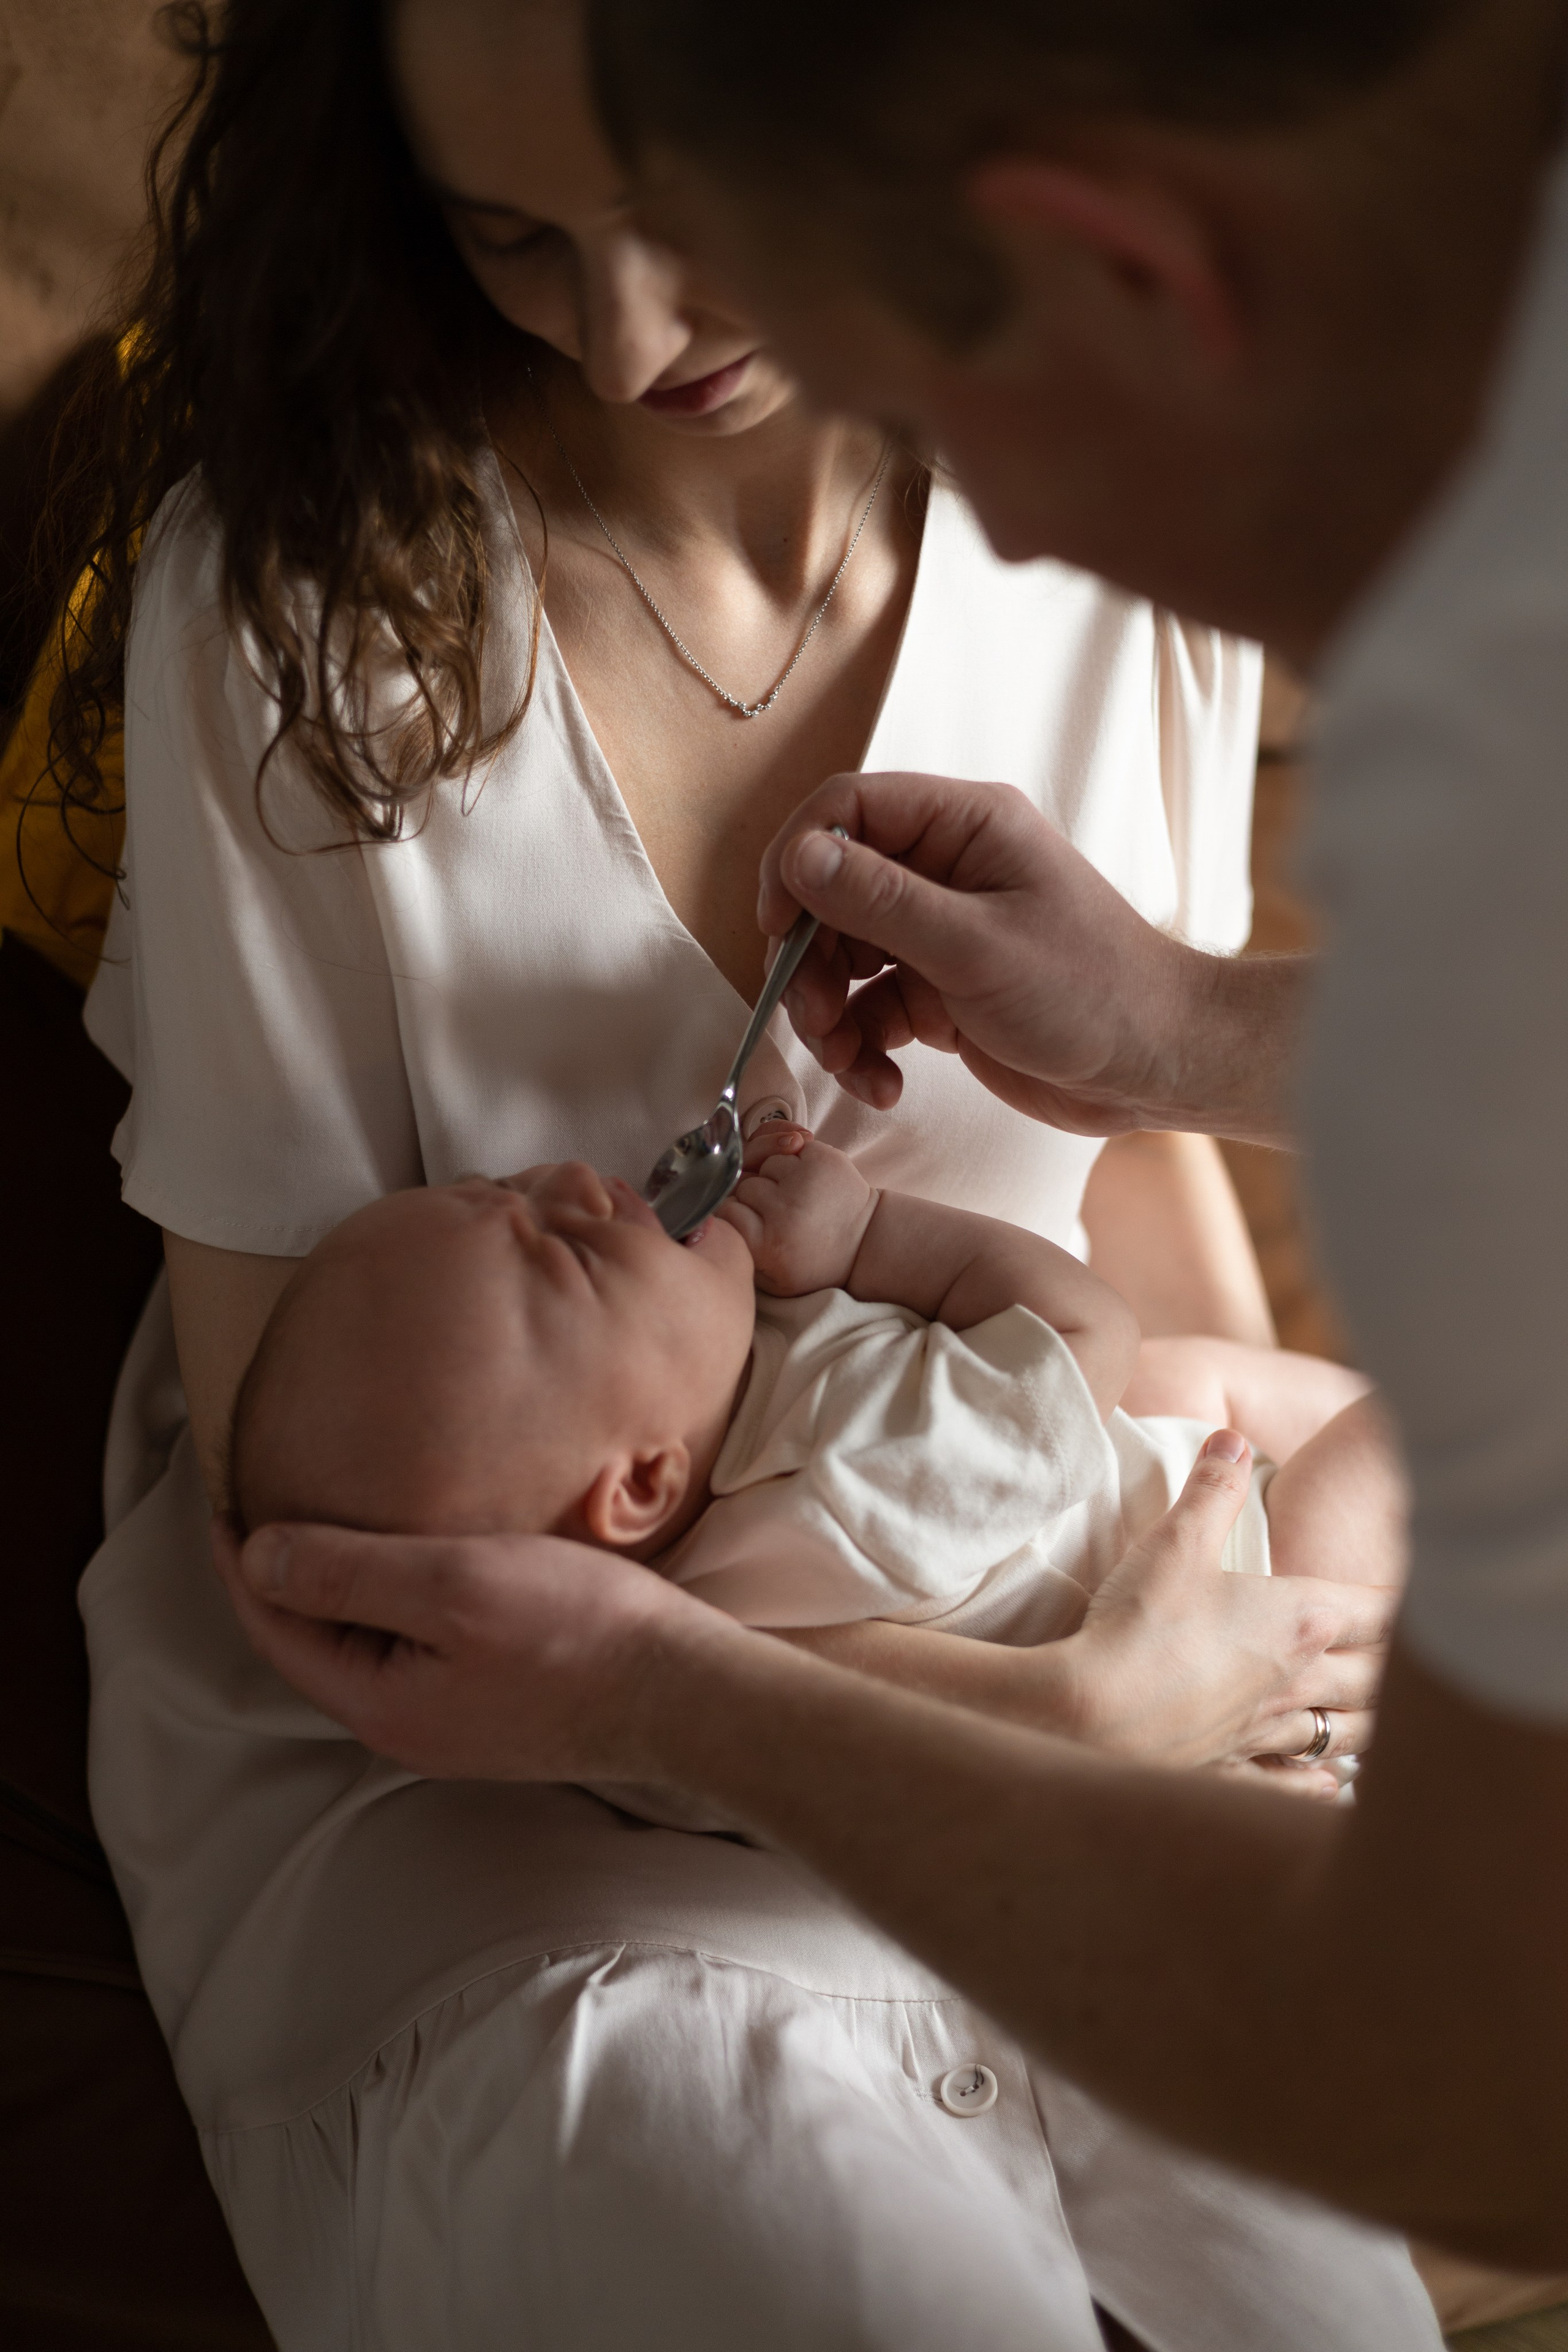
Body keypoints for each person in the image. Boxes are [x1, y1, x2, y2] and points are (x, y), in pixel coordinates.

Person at [53, 0, 1415, 2343]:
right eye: (512, 236)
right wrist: (1042, 1733)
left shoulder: (1122, 513)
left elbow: (1120, 1196)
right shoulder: (293, 611)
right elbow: (326, 1566)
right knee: (811, 2237)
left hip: (1045, 1629)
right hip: (500, 1794)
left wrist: (1233, 1624)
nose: (625, 335)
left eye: (684, 214)